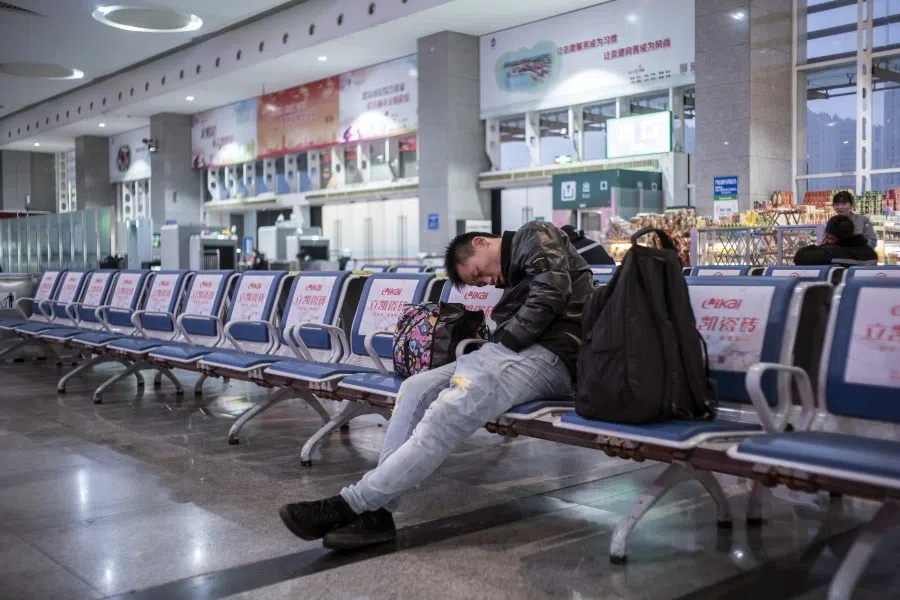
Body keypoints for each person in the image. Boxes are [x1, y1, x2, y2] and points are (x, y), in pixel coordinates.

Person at [278, 221, 595, 550]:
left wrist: (499, 346)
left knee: (448, 409)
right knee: (415, 388)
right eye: (480, 282)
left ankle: (351, 503)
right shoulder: (515, 272)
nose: (488, 282)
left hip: (550, 357)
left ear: (480, 242)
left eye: (479, 274)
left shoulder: (535, 234)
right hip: (510, 352)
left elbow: (549, 295)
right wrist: (494, 347)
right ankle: (378, 514)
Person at [794, 214, 878, 266]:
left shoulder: (829, 253)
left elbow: (799, 257)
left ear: (831, 237)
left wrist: (821, 246)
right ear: (853, 231)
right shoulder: (871, 253)